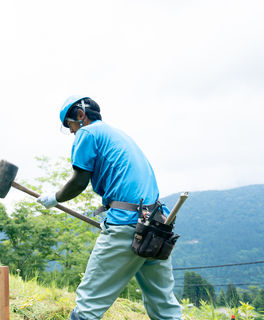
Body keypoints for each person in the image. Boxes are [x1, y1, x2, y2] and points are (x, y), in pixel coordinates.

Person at [36, 95, 182, 320]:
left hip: (127, 225)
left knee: (88, 303)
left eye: (70, 126)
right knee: (164, 307)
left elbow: (78, 181)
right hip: (155, 225)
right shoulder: (116, 134)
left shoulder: (87, 133)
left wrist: (54, 198)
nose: (72, 132)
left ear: (80, 115)